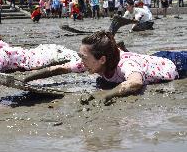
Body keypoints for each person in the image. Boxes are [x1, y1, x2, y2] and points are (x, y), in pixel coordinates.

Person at [24, 31, 186, 104]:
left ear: (101, 59)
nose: (81, 61)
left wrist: (106, 96)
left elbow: (135, 82)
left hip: (175, 64)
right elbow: (60, 68)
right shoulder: (92, 62)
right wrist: (27, 78)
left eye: (84, 57)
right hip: (154, 59)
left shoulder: (125, 65)